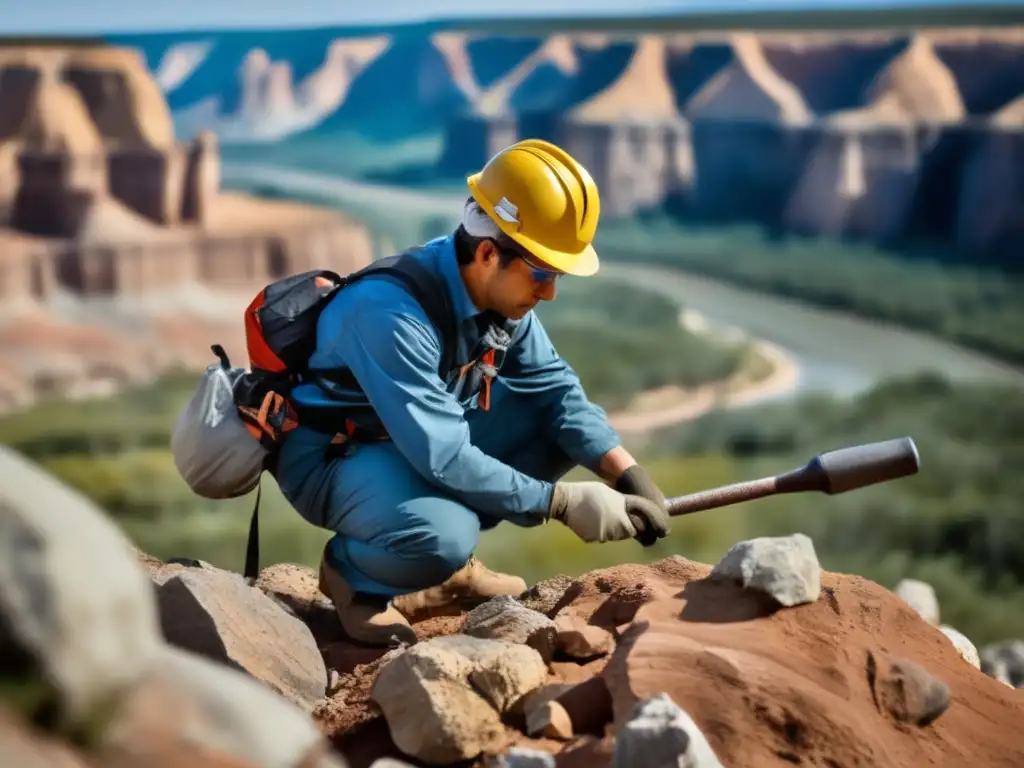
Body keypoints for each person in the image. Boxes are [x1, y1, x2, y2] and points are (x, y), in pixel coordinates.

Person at [272, 138, 671, 647]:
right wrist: (561, 502)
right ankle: (356, 577)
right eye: (543, 273)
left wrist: (627, 473)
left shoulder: (500, 300)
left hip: (409, 441)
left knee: (555, 433)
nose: (549, 292)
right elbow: (445, 457)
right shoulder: (388, 313)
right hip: (334, 457)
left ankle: (439, 572)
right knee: (444, 534)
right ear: (487, 253)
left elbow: (556, 392)